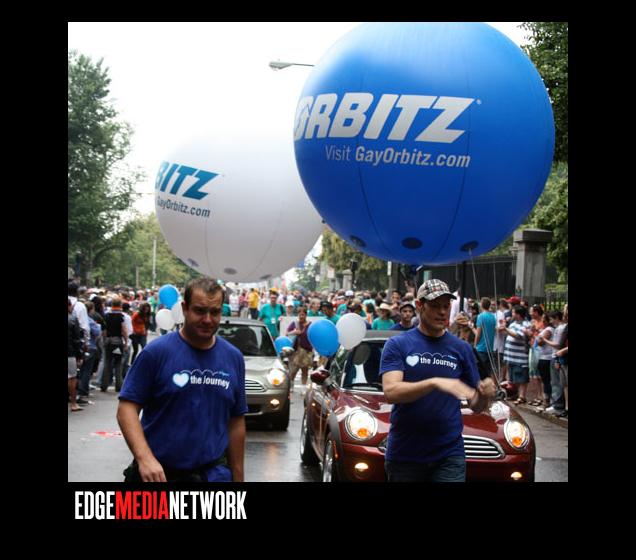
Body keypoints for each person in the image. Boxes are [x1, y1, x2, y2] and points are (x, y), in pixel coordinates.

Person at [117, 277, 247, 482]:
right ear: (185, 309)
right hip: (159, 476)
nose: (207, 319)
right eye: (200, 311)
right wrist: (145, 459)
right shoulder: (156, 353)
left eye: (214, 312)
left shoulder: (233, 357)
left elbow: (236, 422)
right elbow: (127, 408)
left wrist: (238, 477)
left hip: (212, 476)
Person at [380, 279, 496, 482]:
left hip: (449, 454)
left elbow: (476, 406)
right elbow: (391, 392)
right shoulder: (397, 344)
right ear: (419, 305)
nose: (442, 312)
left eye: (446, 306)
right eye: (435, 306)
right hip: (405, 454)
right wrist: (434, 383)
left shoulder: (462, 348)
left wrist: (484, 396)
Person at [502, 305, 532, 404]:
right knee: (513, 376)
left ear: (518, 314)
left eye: (513, 312)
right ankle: (515, 393)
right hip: (511, 356)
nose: (512, 314)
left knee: (521, 376)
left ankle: (522, 396)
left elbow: (518, 336)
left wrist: (505, 329)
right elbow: (509, 334)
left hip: (520, 356)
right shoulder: (513, 323)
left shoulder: (526, 324)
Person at [101, 298, 129, 392]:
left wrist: (105, 340)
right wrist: (126, 342)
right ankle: (118, 385)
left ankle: (104, 385)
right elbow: (124, 330)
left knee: (107, 362)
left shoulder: (106, 315)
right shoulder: (121, 316)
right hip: (117, 342)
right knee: (118, 363)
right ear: (120, 305)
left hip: (108, 341)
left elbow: (104, 331)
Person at [285, 306, 314, 390]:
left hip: (307, 351)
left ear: (306, 315)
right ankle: (291, 385)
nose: (301, 316)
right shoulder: (295, 323)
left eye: (303, 314)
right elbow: (287, 333)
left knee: (305, 370)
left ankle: (303, 388)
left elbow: (313, 336)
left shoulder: (310, 324)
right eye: (300, 314)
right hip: (296, 351)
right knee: (294, 370)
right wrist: (294, 332)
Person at [68, 298, 85, 412]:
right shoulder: (73, 319)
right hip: (70, 353)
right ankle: (73, 404)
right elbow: (77, 339)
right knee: (72, 377)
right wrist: (80, 355)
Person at [474, 297, 497, 378]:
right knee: (487, 373)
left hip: (481, 349)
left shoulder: (480, 316)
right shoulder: (493, 317)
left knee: (478, 372)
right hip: (490, 348)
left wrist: (475, 345)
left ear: (481, 305)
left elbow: (478, 334)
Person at [535, 314, 554, 410]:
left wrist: (538, 337)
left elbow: (540, 342)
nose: (542, 321)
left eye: (543, 319)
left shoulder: (549, 330)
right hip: (542, 357)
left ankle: (547, 401)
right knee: (544, 380)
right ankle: (545, 400)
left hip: (547, 358)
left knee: (546, 380)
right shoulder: (544, 330)